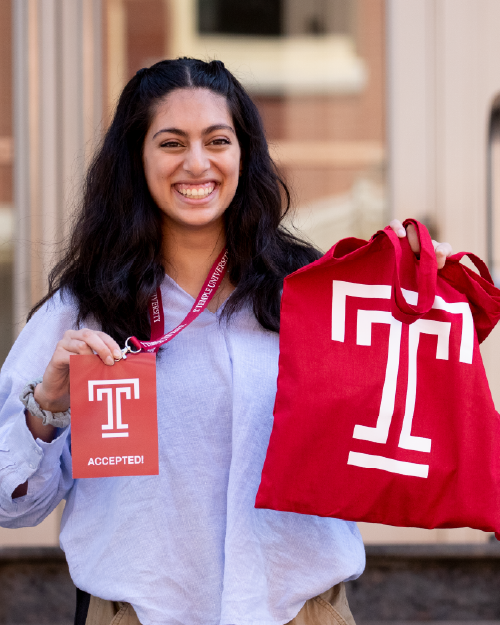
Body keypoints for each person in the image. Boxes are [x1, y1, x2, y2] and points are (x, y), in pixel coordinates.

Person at [0, 58, 452, 625]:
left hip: (300, 613)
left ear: (244, 154)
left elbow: (389, 438)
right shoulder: (84, 310)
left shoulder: (309, 296)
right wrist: (46, 408)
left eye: (217, 140)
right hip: (138, 614)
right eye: (171, 142)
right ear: (136, 160)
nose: (197, 163)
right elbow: (11, 506)